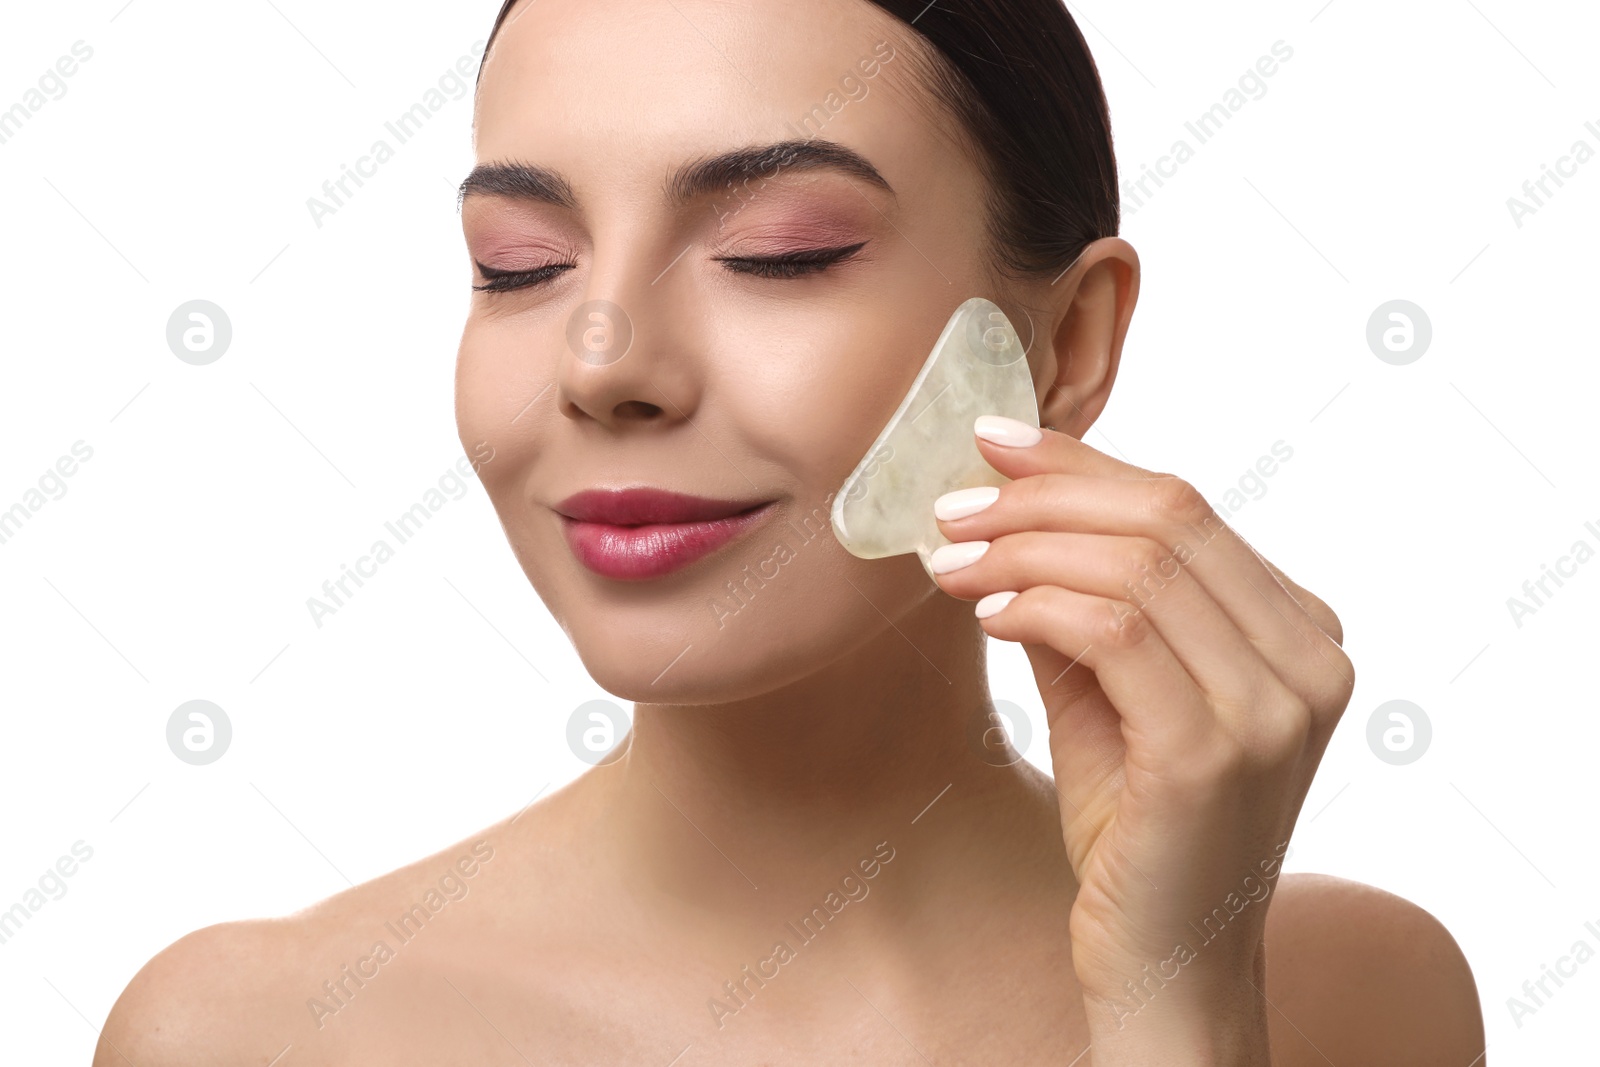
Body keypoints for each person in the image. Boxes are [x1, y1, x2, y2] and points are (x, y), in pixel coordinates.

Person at [97, 0, 1484, 1062]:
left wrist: (1179, 1015)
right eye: (519, 264)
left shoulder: (1353, 996)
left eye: (778, 251)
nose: (603, 359)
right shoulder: (247, 1033)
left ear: (1065, 342)